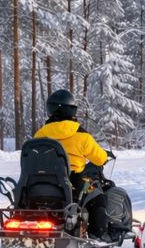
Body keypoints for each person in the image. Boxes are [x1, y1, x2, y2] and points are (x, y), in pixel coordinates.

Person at [34, 89, 114, 239]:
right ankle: (98, 235)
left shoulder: (39, 135)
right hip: (73, 185)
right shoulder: (82, 135)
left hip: (40, 185)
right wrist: (105, 156)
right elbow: (99, 159)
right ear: (71, 109)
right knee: (98, 199)